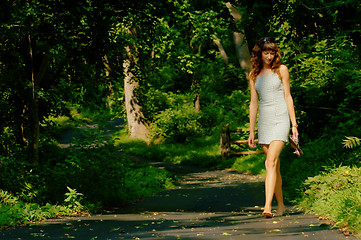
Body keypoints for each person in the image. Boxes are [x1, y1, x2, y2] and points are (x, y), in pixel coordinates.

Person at [247, 37, 298, 218]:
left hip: (280, 119)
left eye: (272, 52)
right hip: (265, 122)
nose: (269, 56)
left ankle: (267, 206)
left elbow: (287, 96)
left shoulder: (281, 70)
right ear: (259, 54)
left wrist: (294, 125)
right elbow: (254, 103)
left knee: (270, 162)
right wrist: (251, 130)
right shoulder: (253, 75)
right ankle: (281, 206)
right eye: (265, 52)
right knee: (273, 166)